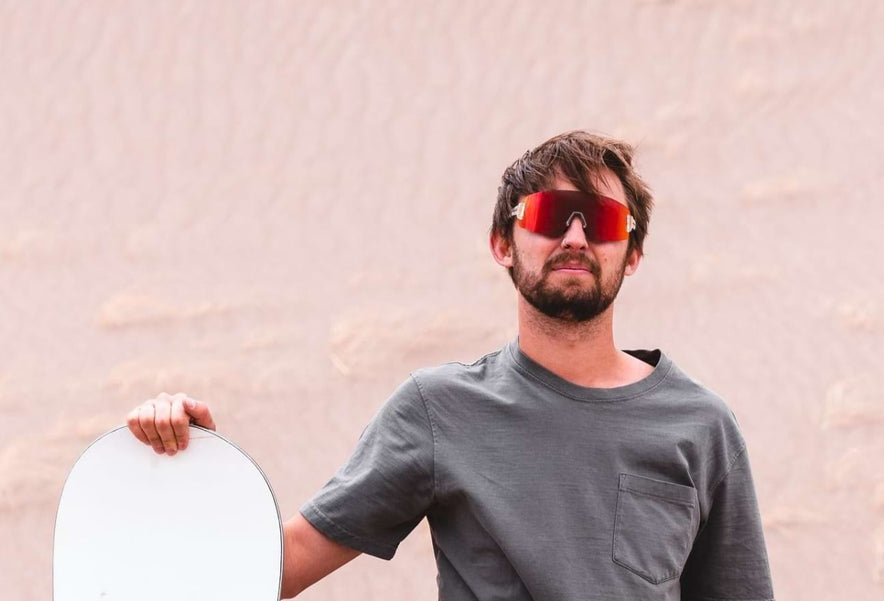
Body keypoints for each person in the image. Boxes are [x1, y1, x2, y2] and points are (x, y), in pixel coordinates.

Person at [125, 130, 775, 600]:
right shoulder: (440, 409)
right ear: (502, 244)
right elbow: (281, 567)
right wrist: (195, 468)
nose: (576, 236)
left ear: (631, 254)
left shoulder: (700, 426)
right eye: (551, 215)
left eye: (603, 221)